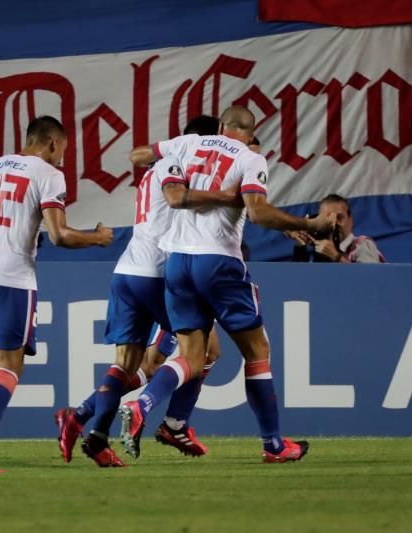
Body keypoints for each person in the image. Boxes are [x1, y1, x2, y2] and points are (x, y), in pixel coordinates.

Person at [120, 105, 335, 463]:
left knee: (193, 355)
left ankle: (143, 404)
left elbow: (140, 155)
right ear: (250, 134)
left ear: (220, 126)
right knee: (257, 351)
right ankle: (273, 445)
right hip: (218, 262)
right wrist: (311, 225)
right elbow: (257, 211)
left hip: (177, 262)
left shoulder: (190, 143)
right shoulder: (251, 158)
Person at [0, 115, 113, 472]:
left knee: (1, 362)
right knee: (11, 368)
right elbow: (59, 235)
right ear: (52, 144)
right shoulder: (48, 174)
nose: (62, 159)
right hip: (12, 276)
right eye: (62, 151)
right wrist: (97, 238)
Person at [54, 116, 228, 467]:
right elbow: (181, 201)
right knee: (206, 351)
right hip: (161, 275)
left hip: (129, 271)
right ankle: (167, 419)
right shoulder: (176, 165)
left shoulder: (154, 169)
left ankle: (90, 427)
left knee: (132, 365)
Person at [287, 194, 386, 263]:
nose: (334, 223)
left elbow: (370, 281)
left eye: (339, 217)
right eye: (327, 218)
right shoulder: (316, 249)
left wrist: (336, 257)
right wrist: (300, 247)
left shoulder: (362, 245)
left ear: (351, 220)